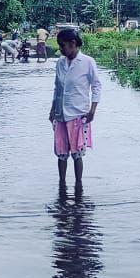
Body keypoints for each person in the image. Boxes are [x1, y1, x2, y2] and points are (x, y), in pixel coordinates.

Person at [48, 28, 100, 188]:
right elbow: (57, 87)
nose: (61, 49)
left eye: (63, 45)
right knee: (61, 152)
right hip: (60, 114)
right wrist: (52, 108)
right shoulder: (60, 63)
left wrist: (92, 110)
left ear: (73, 44)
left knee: (77, 153)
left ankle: (79, 185)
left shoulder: (87, 62)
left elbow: (96, 85)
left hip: (79, 114)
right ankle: (62, 184)